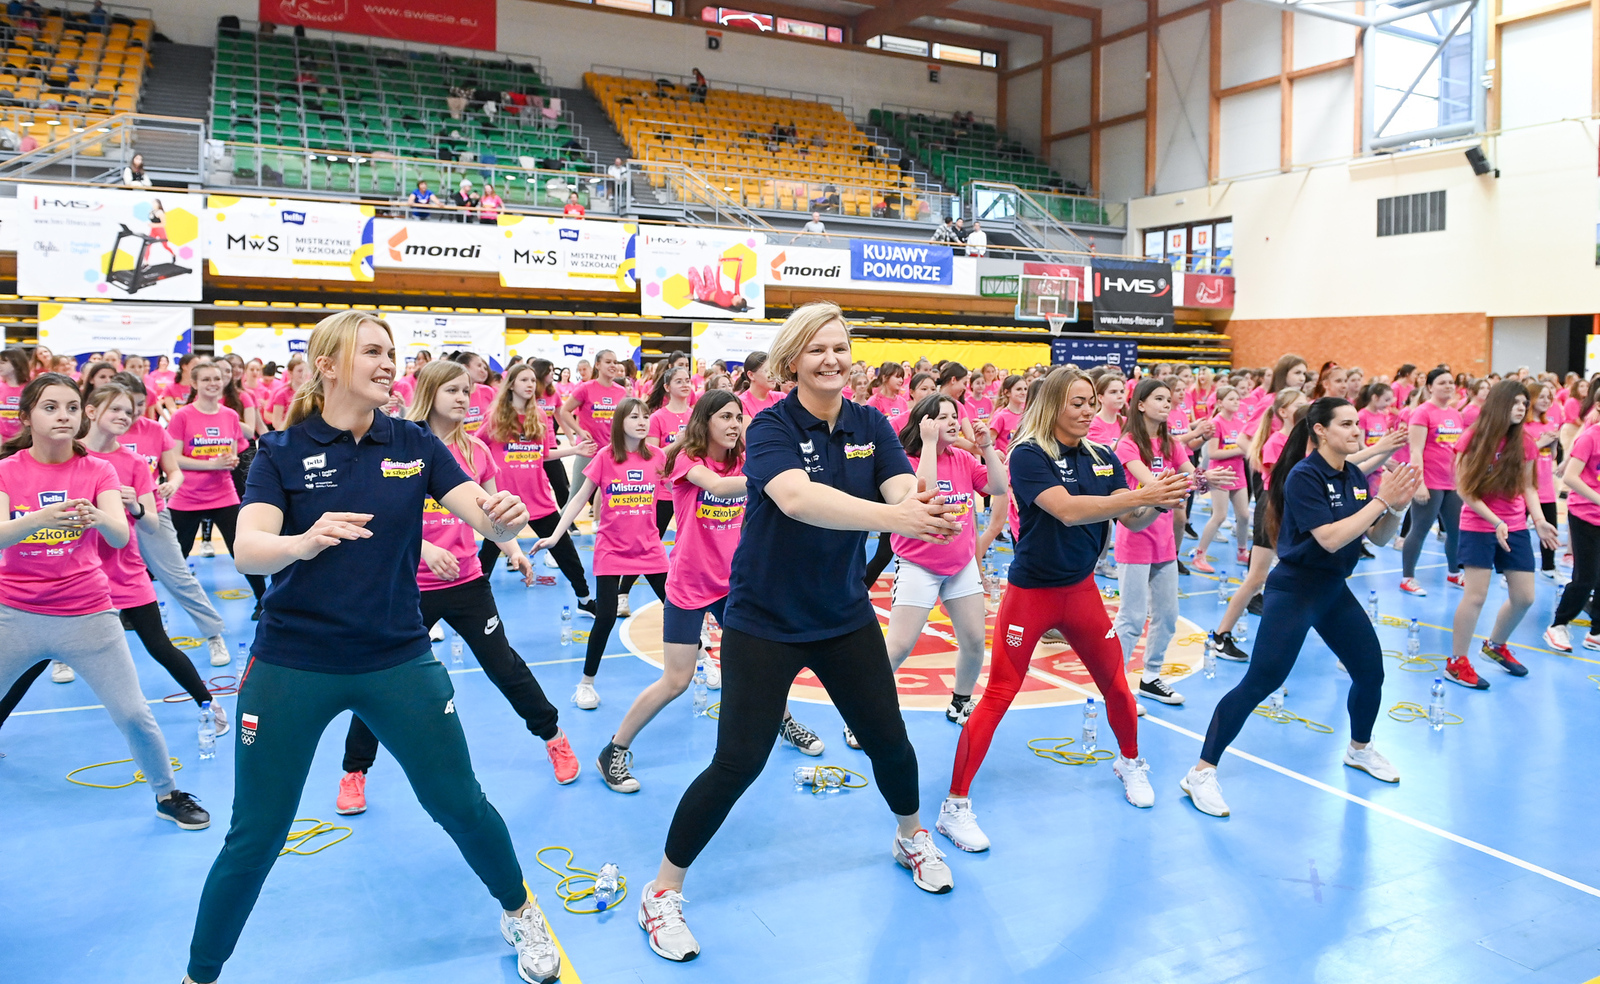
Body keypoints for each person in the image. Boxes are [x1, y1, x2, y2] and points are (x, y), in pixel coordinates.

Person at [183, 312, 562, 984]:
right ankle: (199, 974)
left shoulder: (414, 443)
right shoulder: (280, 451)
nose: (390, 363)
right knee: (255, 836)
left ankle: (519, 909)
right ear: (328, 364)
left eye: (393, 353)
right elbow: (249, 547)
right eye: (374, 352)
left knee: (459, 803)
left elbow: (480, 512)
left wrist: (502, 518)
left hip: (396, 658)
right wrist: (303, 542)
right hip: (291, 663)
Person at [638, 303, 963, 961]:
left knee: (889, 741)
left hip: (843, 616)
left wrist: (921, 495)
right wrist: (896, 516)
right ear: (792, 361)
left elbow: (905, 490)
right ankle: (662, 891)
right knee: (738, 762)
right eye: (817, 349)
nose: (831, 359)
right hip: (765, 621)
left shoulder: (871, 423)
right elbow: (796, 499)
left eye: (840, 347)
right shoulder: (769, 427)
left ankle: (911, 836)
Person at [335, 360, 585, 817]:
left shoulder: (478, 452)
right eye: (452, 390)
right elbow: (378, 519)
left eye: (467, 391)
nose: (462, 398)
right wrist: (425, 547)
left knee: (505, 666)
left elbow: (492, 518)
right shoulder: (398, 449)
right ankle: (354, 772)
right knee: (382, 678)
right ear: (429, 393)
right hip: (408, 587)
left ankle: (554, 738)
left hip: (467, 580)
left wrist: (512, 549)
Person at [1183, 399, 1423, 818]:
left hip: (1333, 590)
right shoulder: (1303, 476)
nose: (1356, 430)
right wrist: (1381, 502)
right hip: (1295, 590)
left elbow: (1377, 538)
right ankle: (1201, 772)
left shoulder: (1354, 476)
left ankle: (1359, 749)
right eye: (1346, 424)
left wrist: (1396, 507)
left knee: (1370, 672)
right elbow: (1329, 538)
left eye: (1357, 423)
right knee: (1261, 681)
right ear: (1320, 431)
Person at [0, 374, 210, 831]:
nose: (63, 416)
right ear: (27, 416)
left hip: (89, 615)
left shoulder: (98, 470)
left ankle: (168, 794)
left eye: (71, 408)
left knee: (133, 712)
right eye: (51, 407)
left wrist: (97, 516)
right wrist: (39, 518)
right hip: (15, 614)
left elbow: (118, 535)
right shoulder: (7, 469)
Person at [533, 399, 670, 710]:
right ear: (620, 421)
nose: (642, 422)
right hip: (611, 548)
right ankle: (586, 683)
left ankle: (701, 658)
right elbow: (579, 498)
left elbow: (678, 492)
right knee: (605, 616)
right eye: (634, 417)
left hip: (649, 547)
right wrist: (555, 535)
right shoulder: (606, 457)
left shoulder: (658, 457)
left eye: (645, 416)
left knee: (675, 606)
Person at [881, 394, 1005, 727]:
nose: (953, 422)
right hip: (918, 565)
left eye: (954, 416)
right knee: (899, 646)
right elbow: (927, 496)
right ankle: (863, 715)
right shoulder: (904, 461)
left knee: (975, 640)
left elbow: (998, 486)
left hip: (960, 566)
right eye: (943, 417)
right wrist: (928, 445)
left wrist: (986, 447)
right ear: (925, 424)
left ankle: (960, 703)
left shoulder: (963, 458)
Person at [1114, 377, 1234, 704]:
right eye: (1159, 398)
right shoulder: (1127, 443)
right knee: (1132, 618)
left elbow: (1190, 475)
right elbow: (1153, 487)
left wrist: (1203, 478)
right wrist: (1197, 479)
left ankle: (1151, 677)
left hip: (1164, 542)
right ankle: (1116, 685)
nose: (1167, 404)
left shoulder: (1171, 443)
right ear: (1140, 404)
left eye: (1169, 399)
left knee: (1167, 617)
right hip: (1135, 537)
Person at [1447, 380, 1550, 688]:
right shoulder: (1472, 438)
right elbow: (1465, 490)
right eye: (1515, 402)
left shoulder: (1526, 442)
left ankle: (1495, 645)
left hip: (1515, 526)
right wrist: (1495, 522)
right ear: (1499, 404)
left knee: (1524, 597)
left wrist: (1539, 520)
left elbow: (1528, 487)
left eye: (1524, 403)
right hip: (1479, 525)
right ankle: (1456, 663)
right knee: (1476, 596)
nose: (1521, 408)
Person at [477, 362, 597, 613]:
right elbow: (475, 446)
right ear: (511, 384)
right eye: (524, 380)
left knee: (565, 551)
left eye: (533, 380)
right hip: (505, 503)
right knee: (486, 559)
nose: (530, 384)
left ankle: (585, 600)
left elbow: (544, 454)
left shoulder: (540, 416)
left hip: (538, 499)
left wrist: (575, 450)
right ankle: (471, 607)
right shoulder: (495, 416)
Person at [166, 362, 267, 613]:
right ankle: (149, 610)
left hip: (223, 494)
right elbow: (174, 458)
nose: (213, 383)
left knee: (241, 549)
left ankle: (264, 603)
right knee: (176, 555)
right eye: (206, 379)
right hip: (187, 496)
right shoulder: (182, 416)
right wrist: (212, 464)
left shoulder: (230, 416)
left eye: (217, 379)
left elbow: (231, 454)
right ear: (194, 384)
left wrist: (229, 461)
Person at [1400, 368, 1466, 595]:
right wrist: (1419, 483)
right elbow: (1415, 451)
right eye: (1442, 383)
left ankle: (1454, 572)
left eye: (1451, 382)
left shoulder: (1456, 414)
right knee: (1419, 530)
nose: (1448, 386)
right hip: (1430, 482)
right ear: (1430, 387)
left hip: (1452, 483)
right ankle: (1407, 577)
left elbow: (1457, 450)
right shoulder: (1422, 412)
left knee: (1456, 531)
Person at [1190, 386, 1250, 572]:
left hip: (1238, 473)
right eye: (1231, 399)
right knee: (1220, 516)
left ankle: (1242, 552)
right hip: (1220, 474)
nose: (1236, 402)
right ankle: (1199, 555)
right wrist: (1240, 450)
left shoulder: (1240, 422)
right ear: (1220, 403)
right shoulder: (1216, 423)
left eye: (1237, 399)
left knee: (1244, 516)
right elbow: (1214, 453)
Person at [734, 351, 783, 419]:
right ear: (751, 375)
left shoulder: (782, 398)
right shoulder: (741, 403)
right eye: (767, 371)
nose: (772, 375)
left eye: (773, 370)